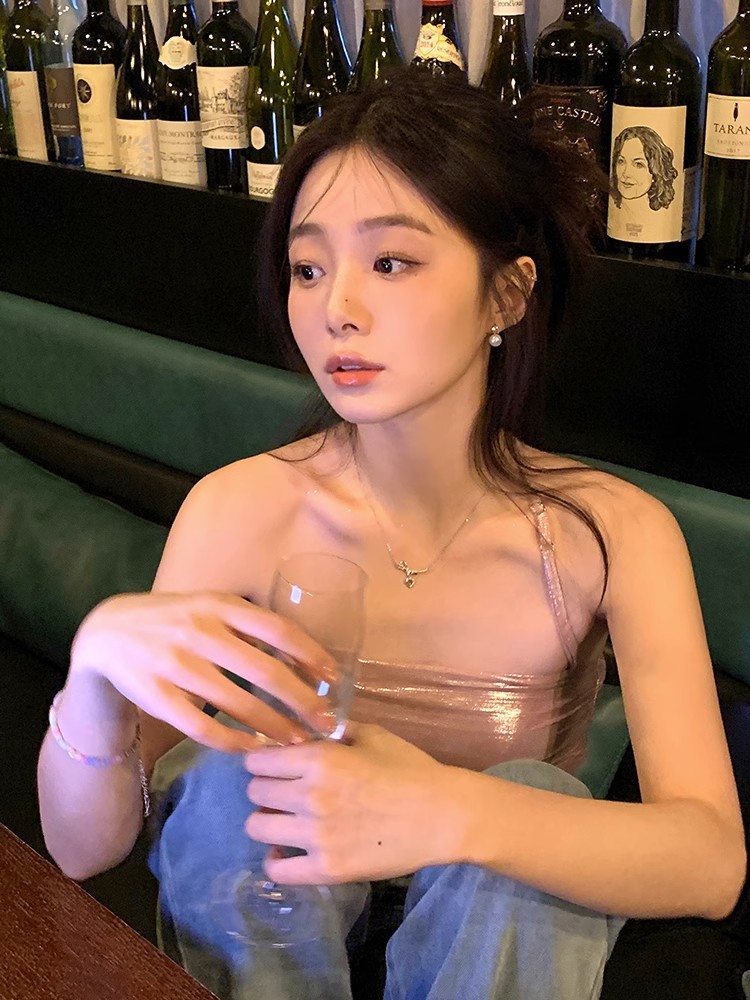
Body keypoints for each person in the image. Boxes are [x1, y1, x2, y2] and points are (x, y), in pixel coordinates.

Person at [37, 69, 744, 1000]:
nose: (337, 308)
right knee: (228, 786)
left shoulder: (611, 532)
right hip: (272, 934)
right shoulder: (241, 507)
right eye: (308, 268)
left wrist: (445, 807)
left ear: (507, 295)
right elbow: (82, 851)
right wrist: (92, 675)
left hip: (493, 950)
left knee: (534, 798)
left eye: (391, 262)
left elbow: (710, 859)